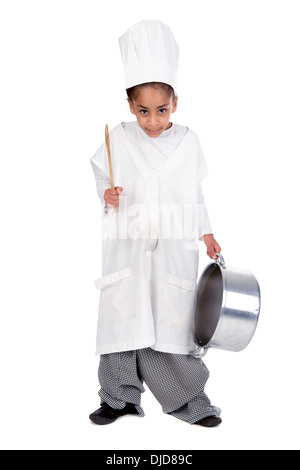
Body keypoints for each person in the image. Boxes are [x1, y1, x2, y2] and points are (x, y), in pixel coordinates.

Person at [89, 20, 222, 427]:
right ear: (131, 106)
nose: (152, 121)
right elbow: (104, 179)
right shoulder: (118, 139)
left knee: (169, 322)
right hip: (128, 247)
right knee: (123, 320)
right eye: (143, 111)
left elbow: (194, 195)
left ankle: (188, 400)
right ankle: (118, 397)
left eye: (160, 111)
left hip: (172, 249)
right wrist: (107, 195)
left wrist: (207, 232)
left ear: (175, 104)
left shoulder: (187, 142)